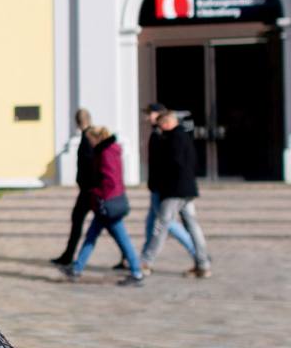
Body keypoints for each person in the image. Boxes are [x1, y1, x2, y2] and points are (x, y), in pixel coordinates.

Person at [59, 127, 145, 286]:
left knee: (122, 239)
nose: (89, 144)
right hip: (107, 202)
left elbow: (110, 180)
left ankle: (137, 272)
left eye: (90, 140)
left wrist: (96, 192)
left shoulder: (106, 152)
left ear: (97, 138)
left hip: (107, 203)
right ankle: (77, 268)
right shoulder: (110, 149)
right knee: (91, 236)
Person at [140, 109, 213, 277]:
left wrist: (163, 185)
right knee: (192, 226)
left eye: (160, 125)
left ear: (166, 123)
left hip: (174, 190)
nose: (159, 129)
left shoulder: (173, 138)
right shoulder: (184, 136)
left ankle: (146, 262)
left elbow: (172, 164)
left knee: (161, 225)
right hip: (187, 189)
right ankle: (203, 263)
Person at [133, 102, 197, 268]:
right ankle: (145, 257)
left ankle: (196, 252)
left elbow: (170, 162)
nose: (147, 117)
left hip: (167, 188)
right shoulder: (160, 133)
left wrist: (160, 186)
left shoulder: (167, 135)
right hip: (160, 186)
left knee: (165, 224)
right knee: (154, 224)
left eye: (150, 114)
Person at [52, 108, 98, 268]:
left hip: (89, 191)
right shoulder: (90, 135)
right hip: (89, 189)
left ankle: (69, 256)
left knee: (79, 220)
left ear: (78, 122)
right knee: (106, 225)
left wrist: (85, 184)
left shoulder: (87, 138)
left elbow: (89, 165)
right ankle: (68, 254)